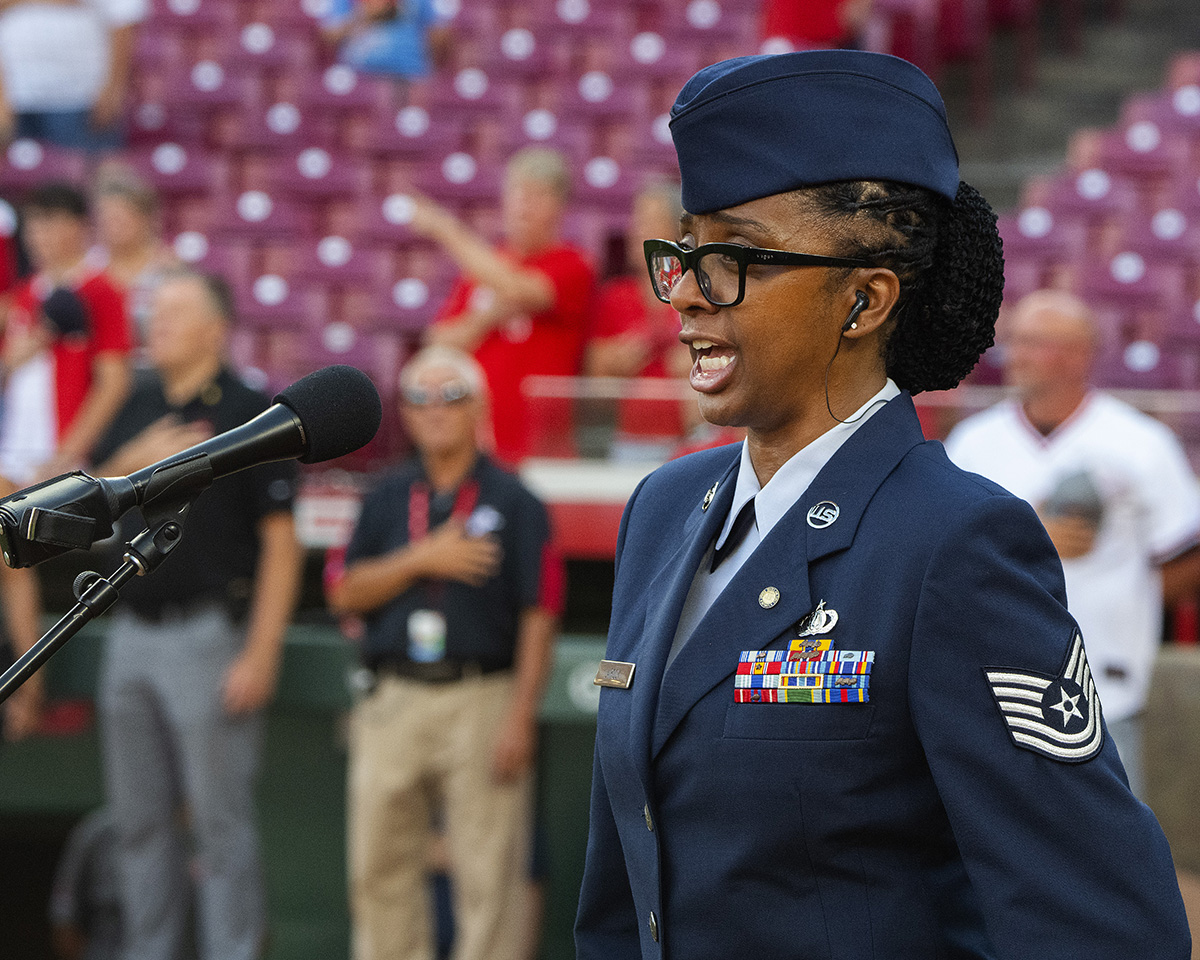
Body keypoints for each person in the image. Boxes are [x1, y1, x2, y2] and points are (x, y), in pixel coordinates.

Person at [574, 50, 1191, 960]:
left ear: (864, 299)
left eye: (734, 256)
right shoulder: (664, 510)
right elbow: (624, 894)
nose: (689, 295)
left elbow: (1102, 925)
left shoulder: (955, 542)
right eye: (684, 252)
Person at [91, 268, 303, 960]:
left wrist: (262, 651)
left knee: (219, 825)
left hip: (210, 634)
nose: (160, 323)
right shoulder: (136, 401)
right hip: (130, 630)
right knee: (137, 823)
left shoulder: (250, 410)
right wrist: (130, 459)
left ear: (218, 327)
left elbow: (281, 540)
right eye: (156, 311)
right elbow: (78, 506)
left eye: (178, 312)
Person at [328, 345, 563, 960]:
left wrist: (520, 714)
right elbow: (344, 593)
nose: (435, 410)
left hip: (481, 695)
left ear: (478, 406)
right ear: (404, 413)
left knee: (490, 875)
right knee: (378, 867)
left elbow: (540, 613)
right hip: (393, 696)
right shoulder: (383, 496)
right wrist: (422, 559)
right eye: (420, 398)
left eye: (450, 395)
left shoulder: (516, 501)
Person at [944, 289, 1200, 799]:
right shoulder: (974, 442)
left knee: (1111, 840)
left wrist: (1134, 604)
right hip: (994, 671)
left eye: (1033, 342)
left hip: (1104, 670)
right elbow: (937, 555)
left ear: (1078, 354)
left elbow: (1187, 553)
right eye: (1014, 339)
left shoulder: (1139, 442)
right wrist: (1027, 539)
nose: (1013, 353)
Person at [420, 147, 595, 464]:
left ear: (559, 207)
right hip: (481, 445)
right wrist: (488, 316)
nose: (524, 206)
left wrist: (447, 231)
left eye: (537, 196)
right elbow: (438, 341)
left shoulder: (572, 264)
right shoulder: (484, 268)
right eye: (518, 194)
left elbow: (518, 288)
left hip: (543, 447)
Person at [0, 182, 133, 484]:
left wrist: (67, 453)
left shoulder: (100, 290)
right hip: (13, 449)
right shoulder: (26, 292)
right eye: (32, 225)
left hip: (63, 454)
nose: (37, 236)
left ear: (78, 226)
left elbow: (114, 381)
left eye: (48, 223)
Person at [0, 0, 146, 150]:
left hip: (81, 99)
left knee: (85, 170)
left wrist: (112, 92)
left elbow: (123, 18)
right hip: (13, 97)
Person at [89, 167, 177, 345]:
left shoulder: (171, 271)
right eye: (107, 218)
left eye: (121, 217)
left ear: (146, 219)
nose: (114, 226)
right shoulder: (87, 268)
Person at [321, 0, 450, 86]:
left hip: (409, 75)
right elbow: (330, 35)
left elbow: (437, 32)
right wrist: (365, 15)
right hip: (359, 77)